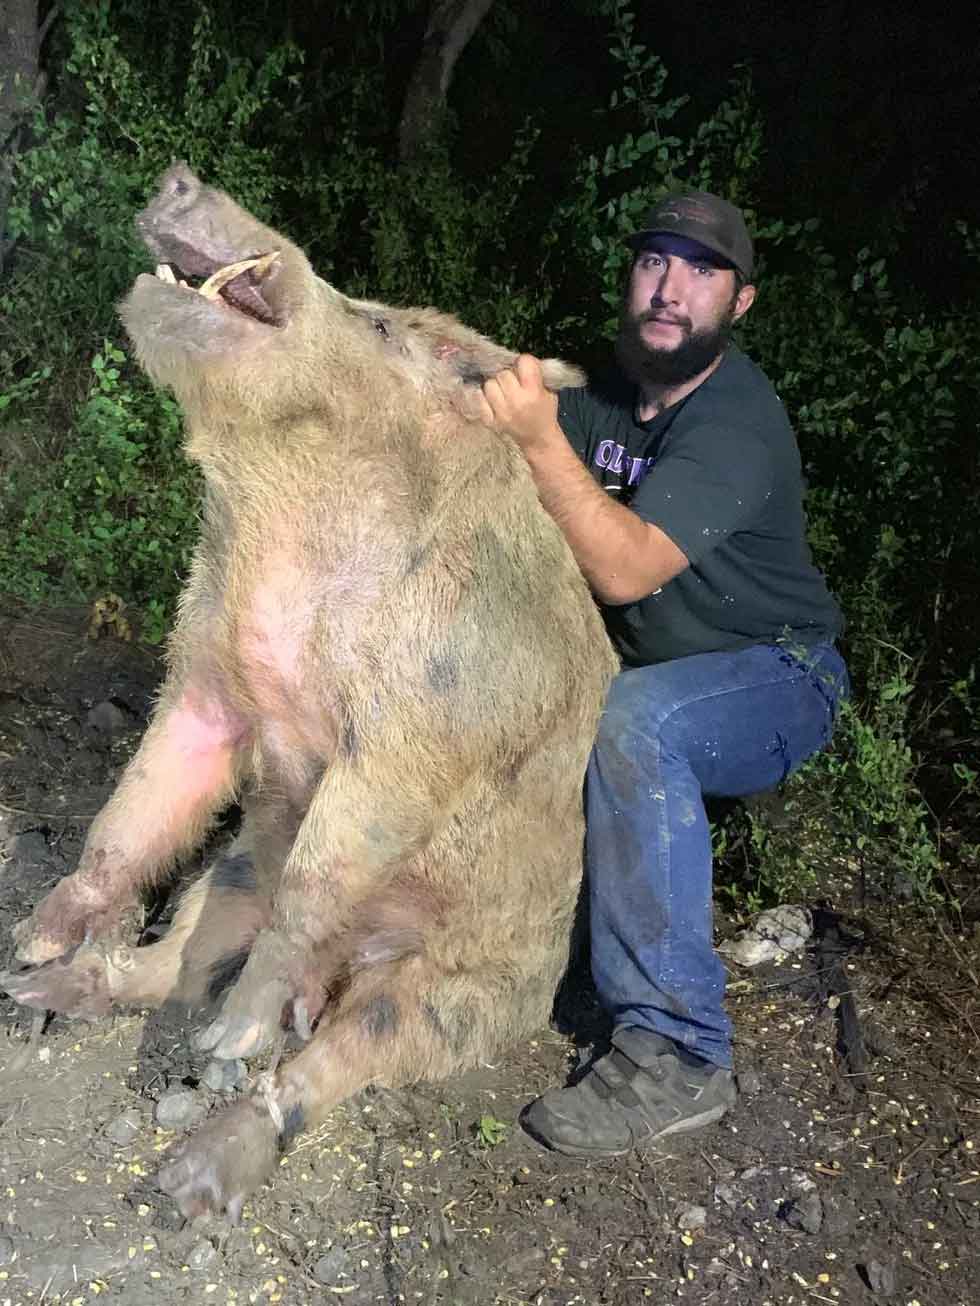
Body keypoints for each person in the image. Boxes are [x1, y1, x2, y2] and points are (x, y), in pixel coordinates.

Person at [479, 190, 848, 1158]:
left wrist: (530, 438)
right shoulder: (601, 389)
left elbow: (624, 565)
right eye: (653, 261)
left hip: (777, 674)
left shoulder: (735, 418)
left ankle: (679, 1051)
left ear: (740, 303)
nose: (668, 287)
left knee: (636, 721)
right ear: (628, 276)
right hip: (656, 664)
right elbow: (489, 401)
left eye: (698, 271)